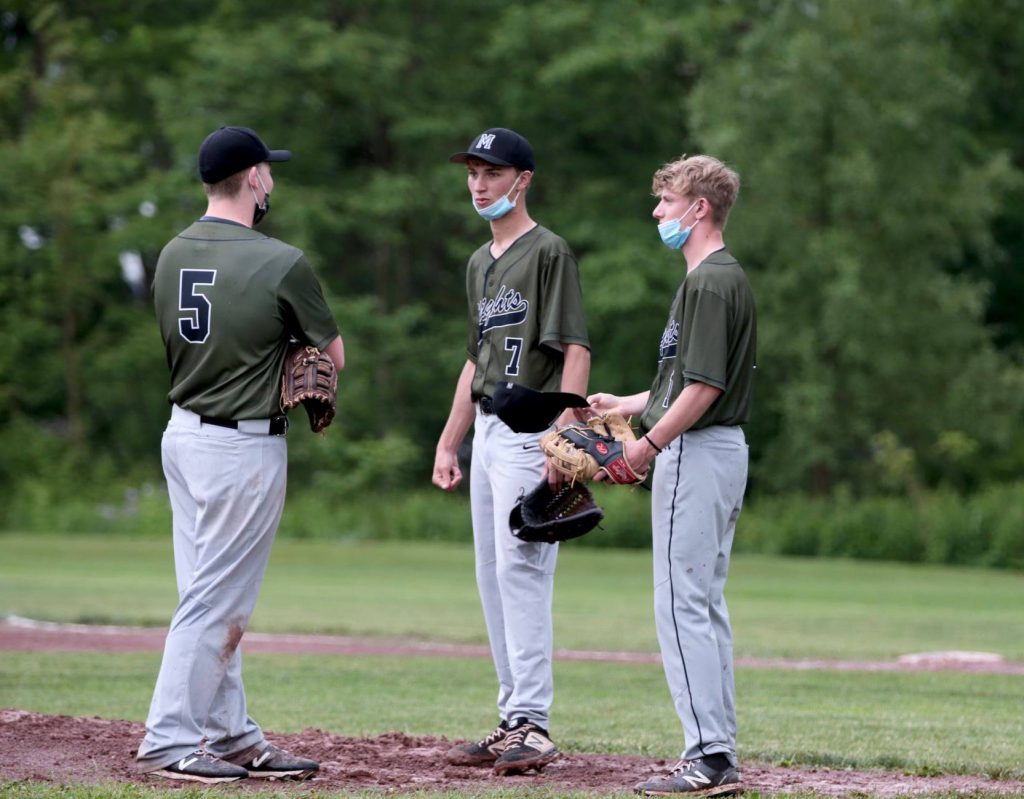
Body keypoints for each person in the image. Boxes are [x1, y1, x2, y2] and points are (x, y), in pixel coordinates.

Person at [136, 125, 345, 784]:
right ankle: (170, 738)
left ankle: (230, 732)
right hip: (240, 449)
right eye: (268, 171)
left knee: (204, 590)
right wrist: (286, 354)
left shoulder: (169, 254)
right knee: (216, 603)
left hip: (182, 434)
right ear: (254, 177)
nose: (272, 181)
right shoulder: (281, 260)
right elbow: (334, 358)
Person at [587, 155, 755, 796]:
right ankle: (719, 749)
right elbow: (685, 381)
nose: (658, 212)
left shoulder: (710, 282)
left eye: (667, 201)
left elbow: (706, 387)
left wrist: (647, 445)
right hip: (716, 449)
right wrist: (625, 406)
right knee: (703, 605)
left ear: (699, 208)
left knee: (681, 605)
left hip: (696, 449)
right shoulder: (719, 278)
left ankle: (708, 757)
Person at [432, 128, 591, 775]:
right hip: (491, 428)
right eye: (473, 172)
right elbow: (476, 362)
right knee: (492, 578)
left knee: (521, 570)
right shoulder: (478, 263)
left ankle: (535, 722)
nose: (479, 183)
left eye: (492, 172)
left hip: (534, 430)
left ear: (522, 178)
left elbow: (575, 348)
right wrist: (449, 439)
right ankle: (511, 718)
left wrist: (568, 434)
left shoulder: (548, 251)